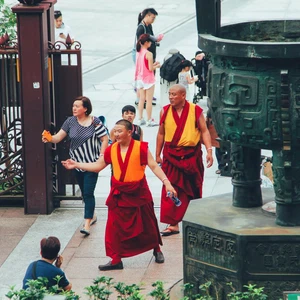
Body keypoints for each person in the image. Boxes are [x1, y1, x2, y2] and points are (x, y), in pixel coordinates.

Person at [62, 119, 177, 271]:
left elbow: (154, 166)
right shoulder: (111, 149)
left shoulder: (141, 148)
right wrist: (77, 164)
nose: (116, 134)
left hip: (138, 191)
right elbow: (97, 166)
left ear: (129, 132)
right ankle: (116, 259)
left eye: (119, 131)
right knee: (114, 227)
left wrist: (167, 182)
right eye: (115, 131)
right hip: (119, 193)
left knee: (148, 223)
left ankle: (156, 249)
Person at [42, 96, 109, 236]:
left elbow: (105, 139)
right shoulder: (70, 121)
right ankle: (92, 215)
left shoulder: (94, 121)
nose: (74, 108)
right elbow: (58, 137)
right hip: (75, 164)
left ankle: (87, 223)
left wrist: (102, 155)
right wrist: (49, 138)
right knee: (85, 192)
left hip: (91, 164)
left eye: (77, 106)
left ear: (85, 108)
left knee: (88, 192)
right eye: (73, 105)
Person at [156, 84, 213, 236]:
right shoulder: (165, 110)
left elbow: (204, 131)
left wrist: (209, 151)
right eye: (170, 94)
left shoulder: (195, 110)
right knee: (170, 189)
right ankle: (173, 224)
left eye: (174, 94)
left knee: (193, 187)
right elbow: (161, 134)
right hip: (171, 156)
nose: (171, 97)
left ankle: (193, 220)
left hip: (191, 156)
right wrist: (157, 154)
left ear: (183, 95)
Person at [134, 8, 163, 107]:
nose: (153, 20)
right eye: (152, 18)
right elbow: (141, 42)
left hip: (150, 55)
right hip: (145, 56)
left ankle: (147, 96)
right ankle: (142, 98)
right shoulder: (141, 28)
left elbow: (150, 37)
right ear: (147, 16)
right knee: (143, 76)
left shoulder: (149, 25)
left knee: (148, 75)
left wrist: (156, 40)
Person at [135, 34, 160, 127]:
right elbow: (150, 68)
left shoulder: (139, 52)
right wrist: (156, 65)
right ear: (146, 43)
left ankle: (140, 118)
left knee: (141, 99)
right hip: (148, 79)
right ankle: (149, 120)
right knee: (149, 101)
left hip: (140, 78)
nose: (151, 43)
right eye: (150, 42)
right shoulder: (149, 54)